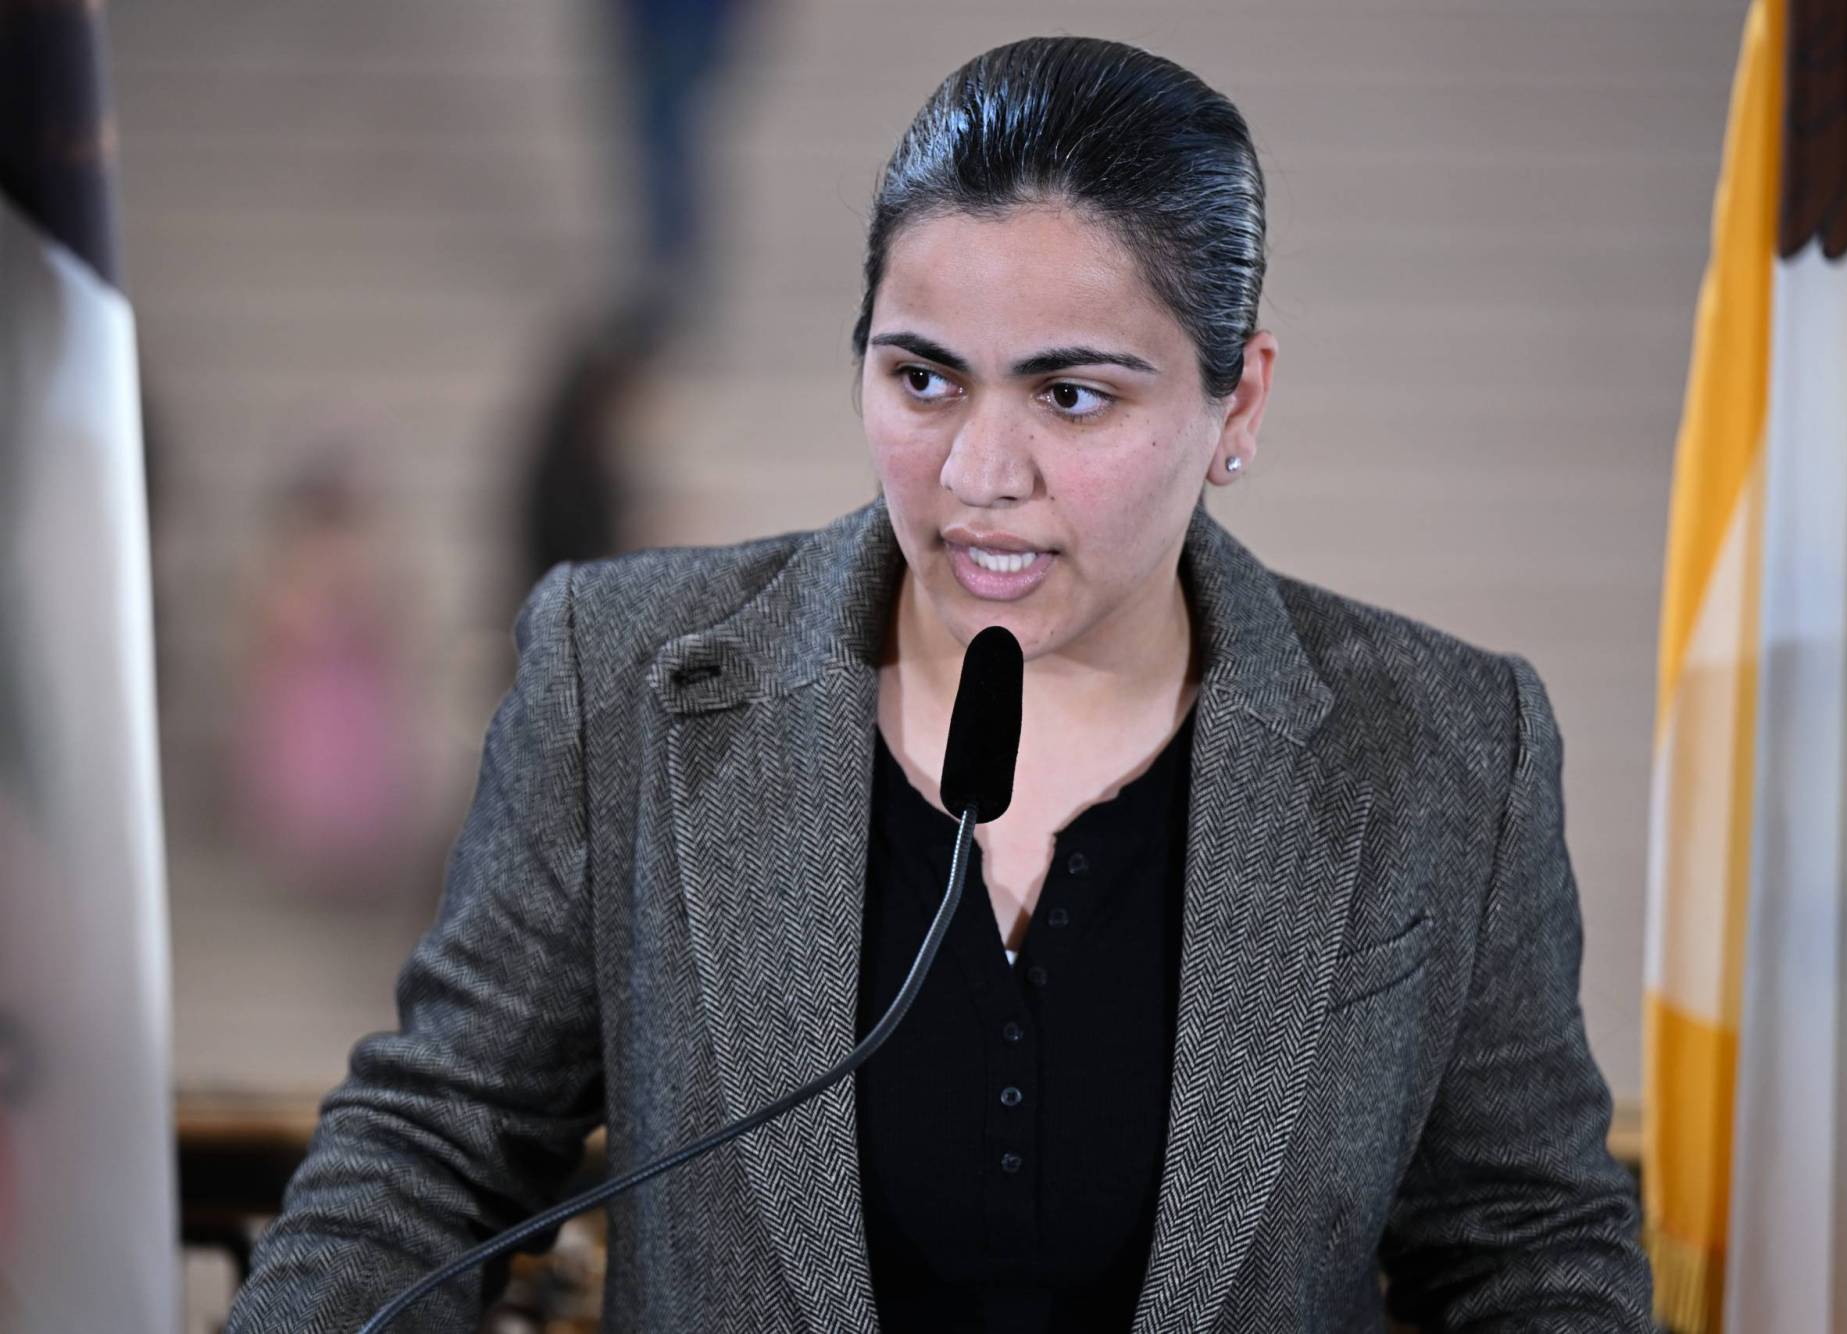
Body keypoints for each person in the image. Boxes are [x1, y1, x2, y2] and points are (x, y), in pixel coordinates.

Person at [227, 36, 1650, 1333]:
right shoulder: (626, 679)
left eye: (1071, 395)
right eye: (922, 380)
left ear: (1240, 400)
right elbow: (430, 1156)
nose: (978, 473)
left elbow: (1530, 1248)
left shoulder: (1447, 745)